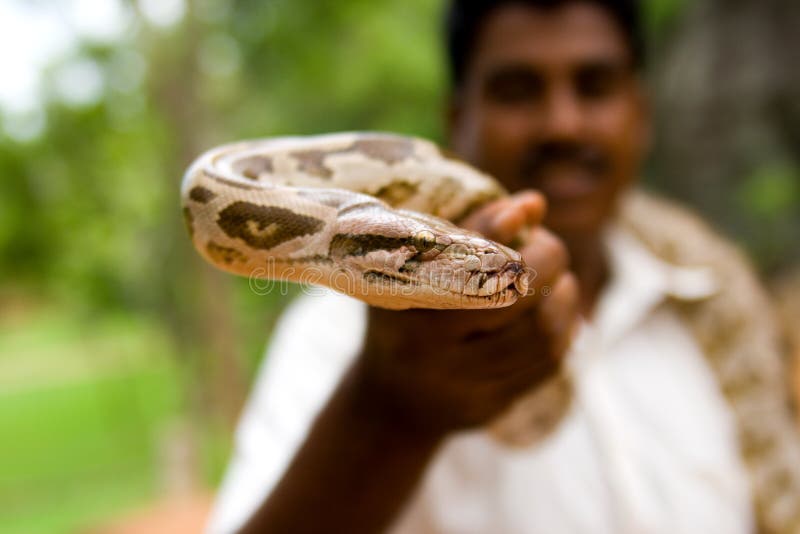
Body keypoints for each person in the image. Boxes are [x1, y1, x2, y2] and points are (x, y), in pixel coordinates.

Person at [207, 1, 800, 533]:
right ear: (456, 119)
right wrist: (387, 412)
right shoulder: (338, 332)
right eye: (517, 90)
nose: (563, 124)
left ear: (640, 113)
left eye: (594, 86)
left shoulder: (717, 303)